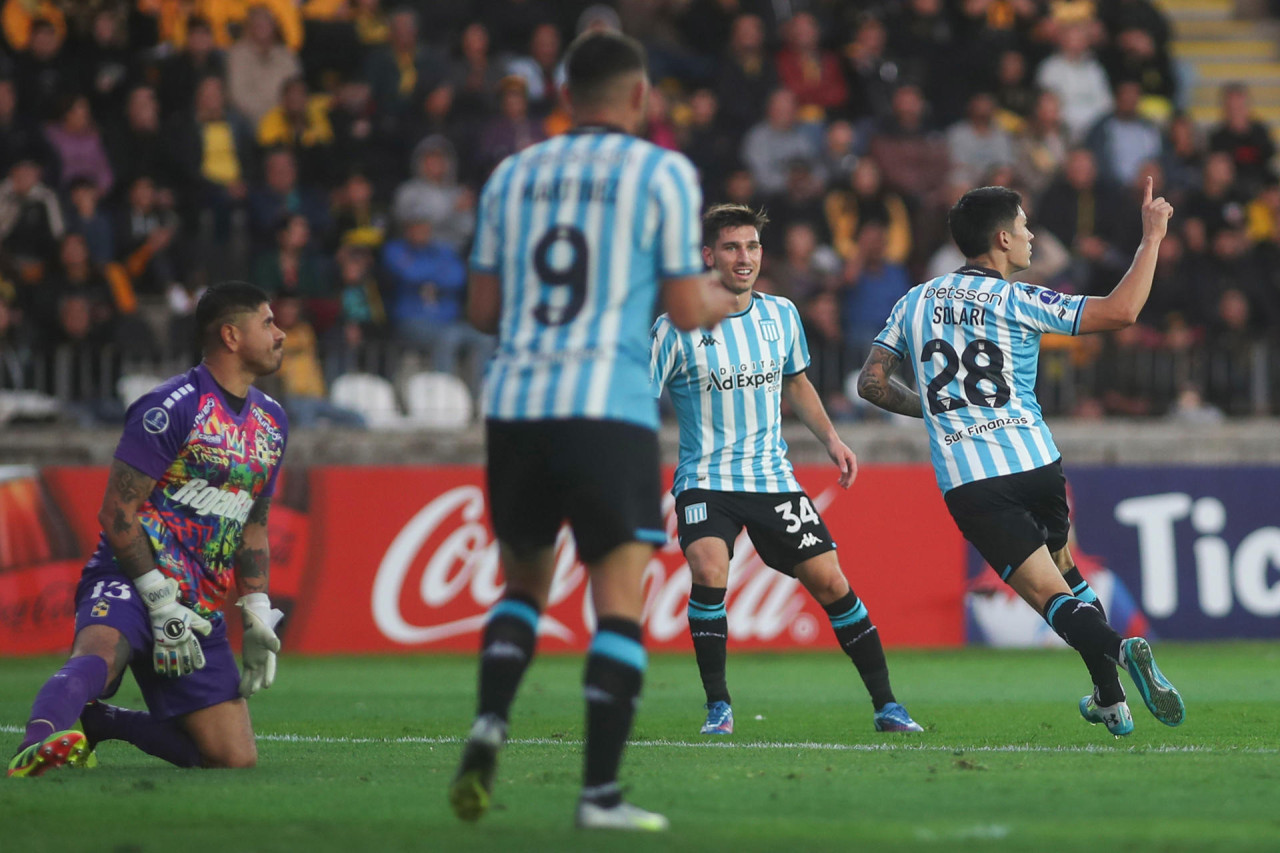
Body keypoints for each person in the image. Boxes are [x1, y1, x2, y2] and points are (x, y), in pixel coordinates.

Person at [449, 30, 735, 831]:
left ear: (563, 94)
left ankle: (487, 724)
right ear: (640, 97)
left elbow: (478, 311)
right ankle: (598, 794)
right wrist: (722, 299)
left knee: (522, 588)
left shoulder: (511, 174)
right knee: (617, 600)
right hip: (606, 404)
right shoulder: (662, 172)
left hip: (515, 404)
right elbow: (684, 307)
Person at [855, 180, 1185, 737]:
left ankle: (1123, 653)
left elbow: (872, 382)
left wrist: (937, 409)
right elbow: (1122, 311)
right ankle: (1109, 697)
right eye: (1026, 226)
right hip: (1037, 463)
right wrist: (1151, 236)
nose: (1032, 236)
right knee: (1069, 575)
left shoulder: (913, 301)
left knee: (1051, 599)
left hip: (974, 479)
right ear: (1003, 239)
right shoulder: (1021, 300)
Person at [650, 204, 923, 737]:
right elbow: (641, 394)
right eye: (731, 247)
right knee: (709, 571)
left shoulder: (780, 315)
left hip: (772, 478)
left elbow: (795, 382)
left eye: (751, 246)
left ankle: (888, 705)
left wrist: (832, 439)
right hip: (705, 476)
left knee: (831, 582)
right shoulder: (675, 325)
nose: (744, 257)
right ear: (709, 256)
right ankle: (718, 707)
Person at [8, 281, 289, 776]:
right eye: (267, 322)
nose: (281, 333)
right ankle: (36, 747)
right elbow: (117, 513)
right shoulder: (172, 407)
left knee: (232, 758)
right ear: (230, 335)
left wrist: (257, 609)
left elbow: (254, 525)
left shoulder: (272, 421)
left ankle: (98, 724)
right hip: (132, 575)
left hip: (198, 603)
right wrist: (157, 598)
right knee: (101, 655)